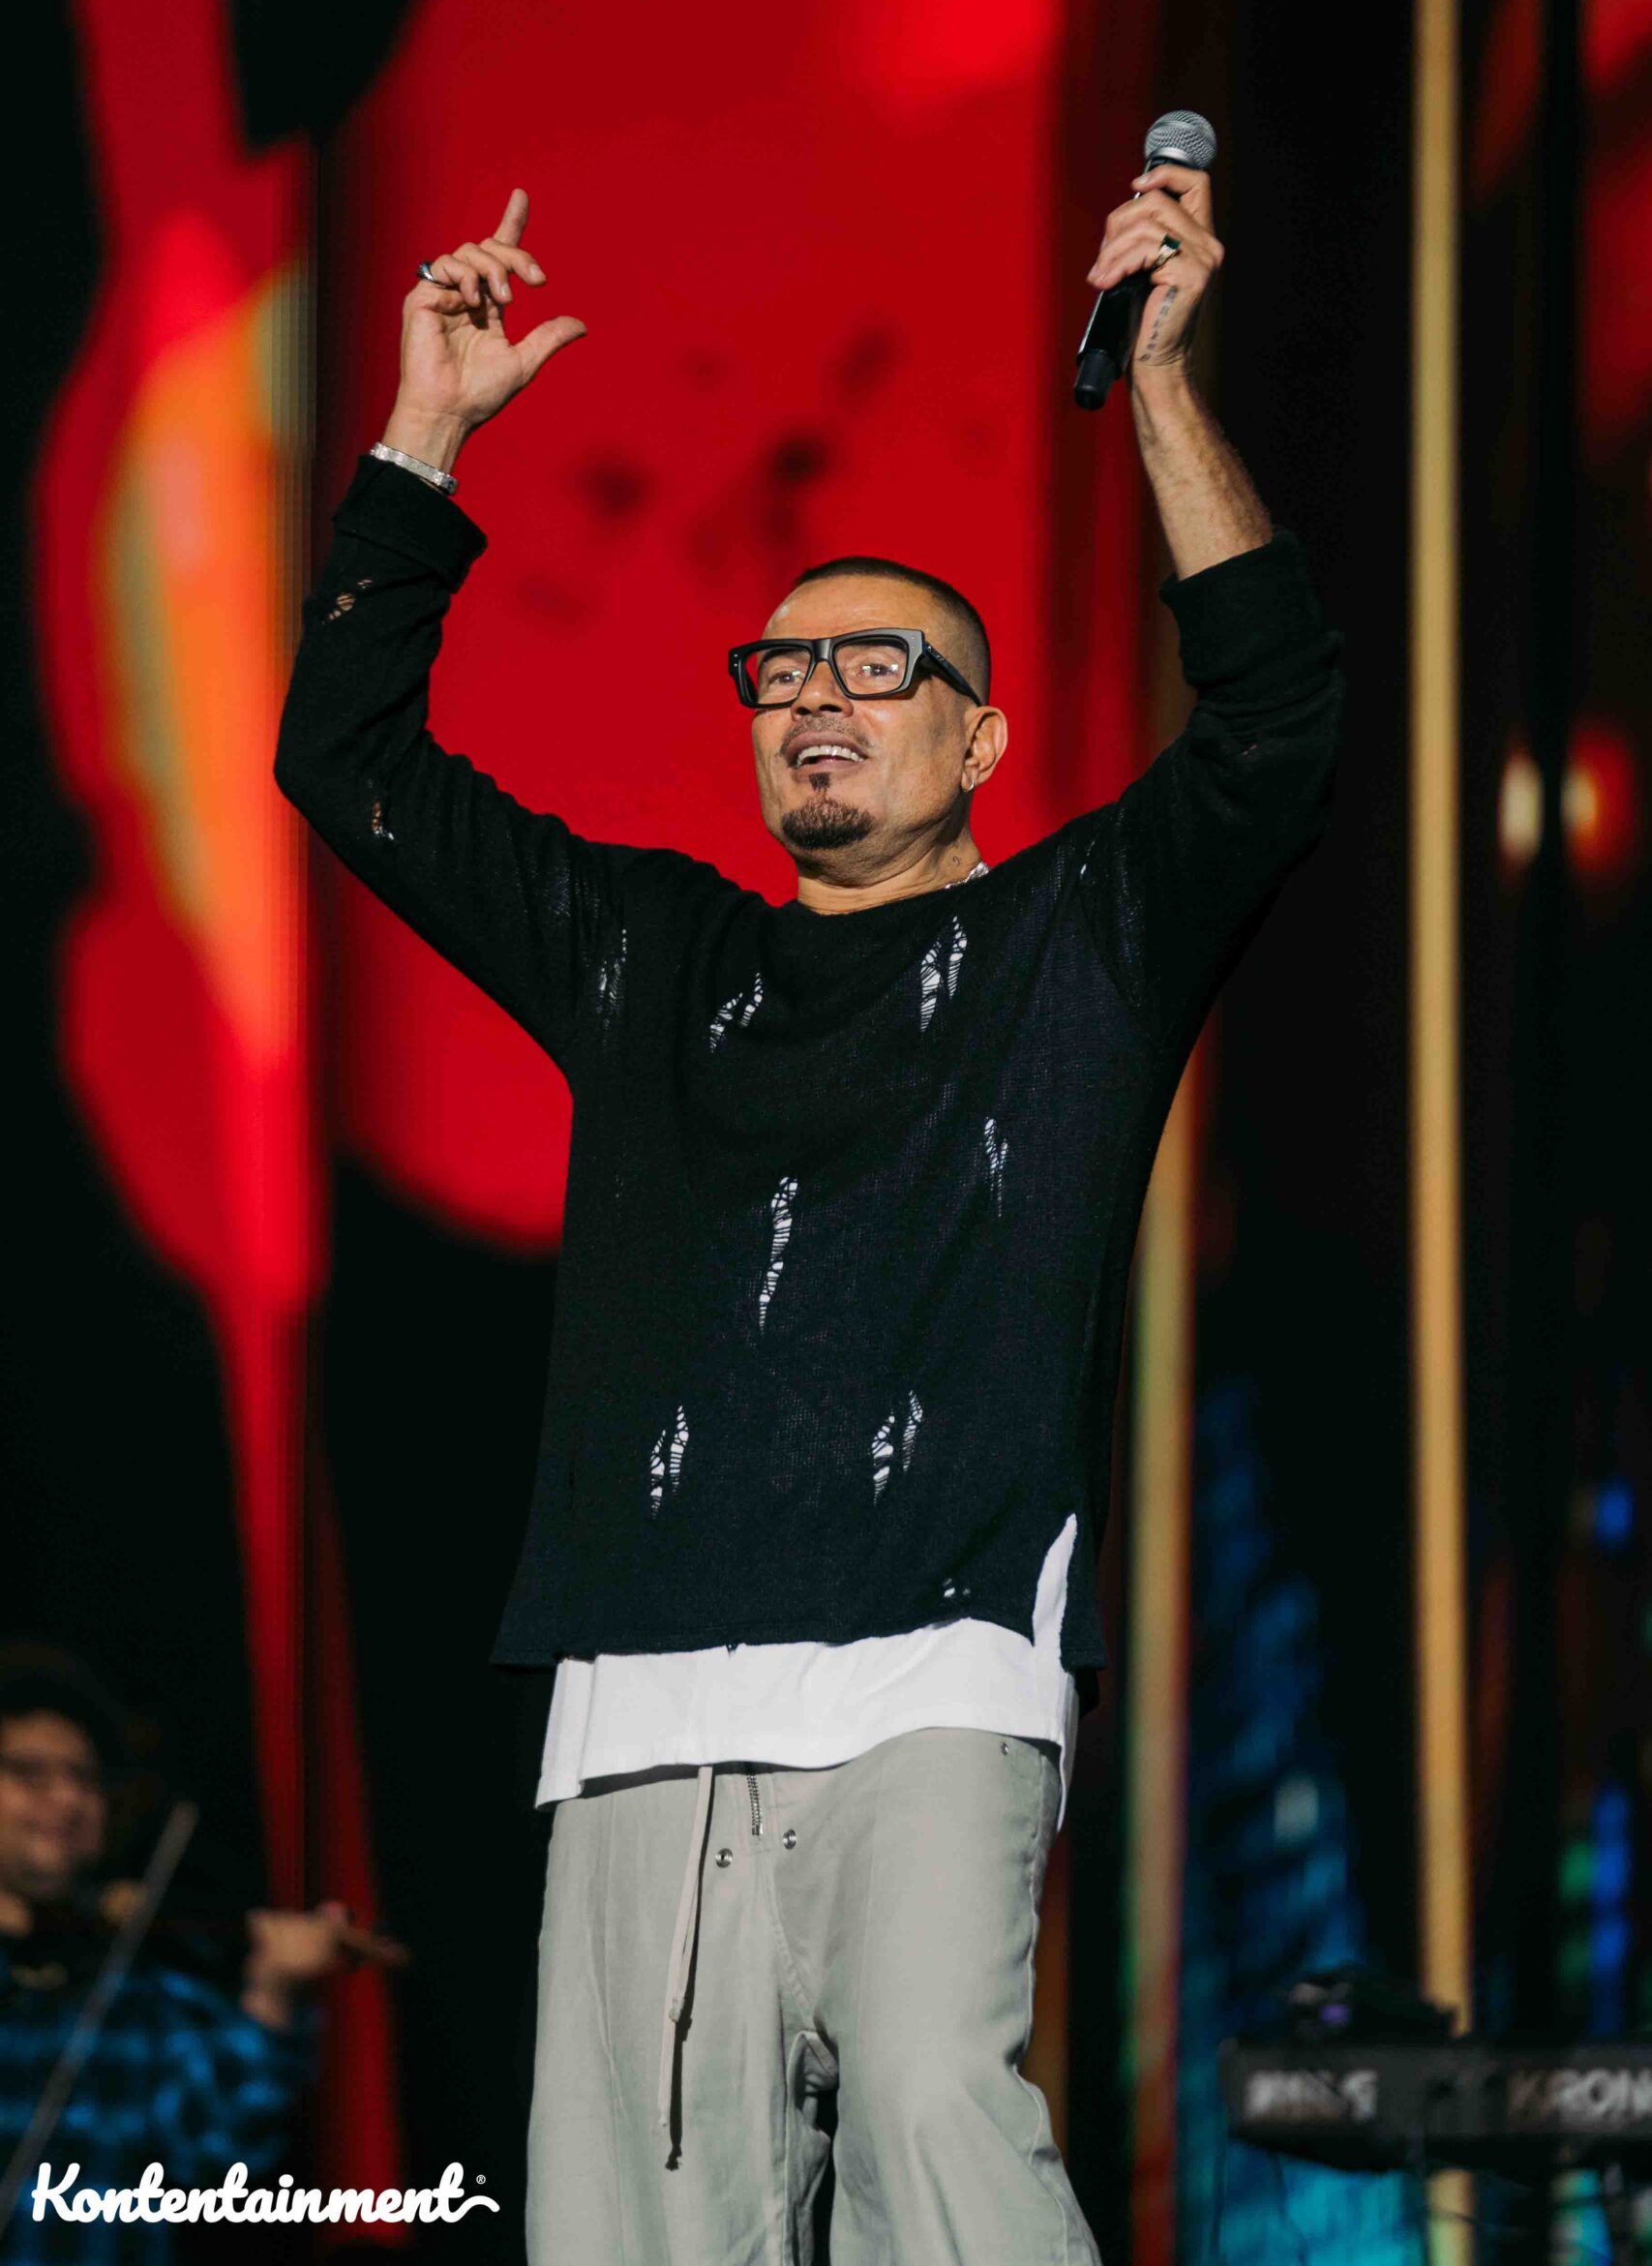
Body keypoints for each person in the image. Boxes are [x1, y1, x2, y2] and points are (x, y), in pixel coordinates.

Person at [275, 165, 1344, 2264]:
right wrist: (422, 439)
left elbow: (1278, 720)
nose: (819, 698)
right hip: (648, 1694)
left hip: (936, 1661)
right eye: (780, 672)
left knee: (938, 2115)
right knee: (645, 2225)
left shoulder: (1081, 938)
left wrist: (1154, 381)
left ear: (982, 733)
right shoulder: (651, 953)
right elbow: (350, 760)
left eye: (879, 662)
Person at [0, 1653, 369, 2262]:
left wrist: (270, 1992)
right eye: (31, 1774)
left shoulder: (135, 1984)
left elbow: (219, 2148)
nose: (68, 1798)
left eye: (87, 1779)